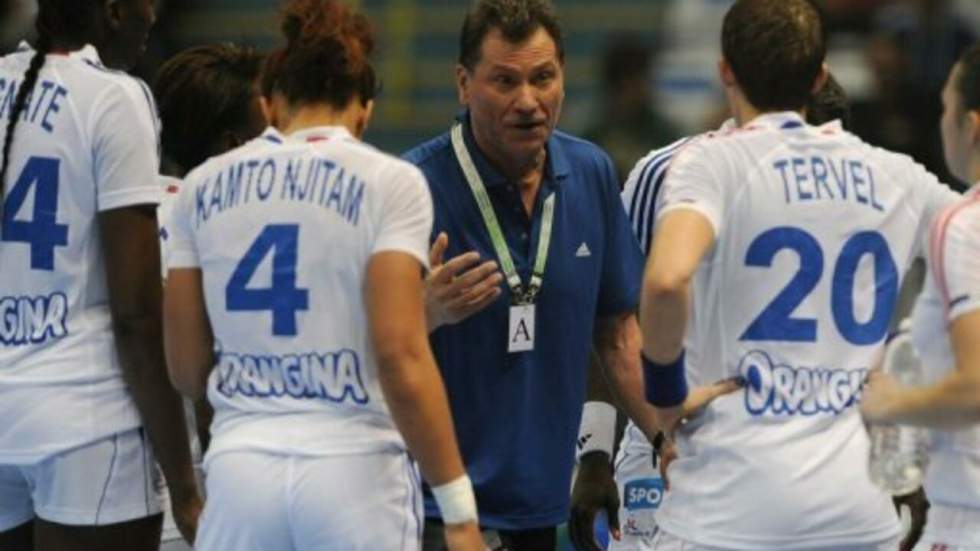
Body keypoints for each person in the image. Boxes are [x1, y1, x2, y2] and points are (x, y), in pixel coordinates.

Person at [637, 0, 960, 549]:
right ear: (820, 77)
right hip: (857, 515)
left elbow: (666, 280)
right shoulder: (896, 175)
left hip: (727, 509)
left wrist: (665, 396)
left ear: (725, 72)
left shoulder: (713, 163)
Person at [162, 1, 483, 549]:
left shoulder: (202, 187)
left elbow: (188, 371)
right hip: (353, 472)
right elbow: (400, 356)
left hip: (241, 473)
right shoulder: (391, 182)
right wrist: (458, 511)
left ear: (270, 103)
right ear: (364, 110)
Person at [403, 1, 653, 549]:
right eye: (505, 81)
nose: (527, 102)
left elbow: (615, 334)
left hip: (546, 508)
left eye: (543, 78)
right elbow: (357, 350)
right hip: (434, 509)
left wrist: (664, 438)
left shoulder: (590, 173)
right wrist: (421, 313)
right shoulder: (409, 188)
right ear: (464, 84)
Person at [595, 73, 854, 551]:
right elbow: (612, 327)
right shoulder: (665, 176)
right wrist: (607, 445)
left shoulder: (847, 195)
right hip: (671, 441)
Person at [0, 1, 202, 551]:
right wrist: (183, 482)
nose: (155, 16)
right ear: (114, 12)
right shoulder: (114, 96)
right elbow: (136, 314)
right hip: (83, 420)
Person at [861, 44, 980, 551]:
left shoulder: (963, 225)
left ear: (971, 126)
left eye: (944, 109)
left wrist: (895, 402)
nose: (942, 123)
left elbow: (976, 388)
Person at [152, 42, 268, 548]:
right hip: (208, 497)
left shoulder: (120, 220)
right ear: (231, 145)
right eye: (267, 134)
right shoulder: (238, 231)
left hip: (115, 494)